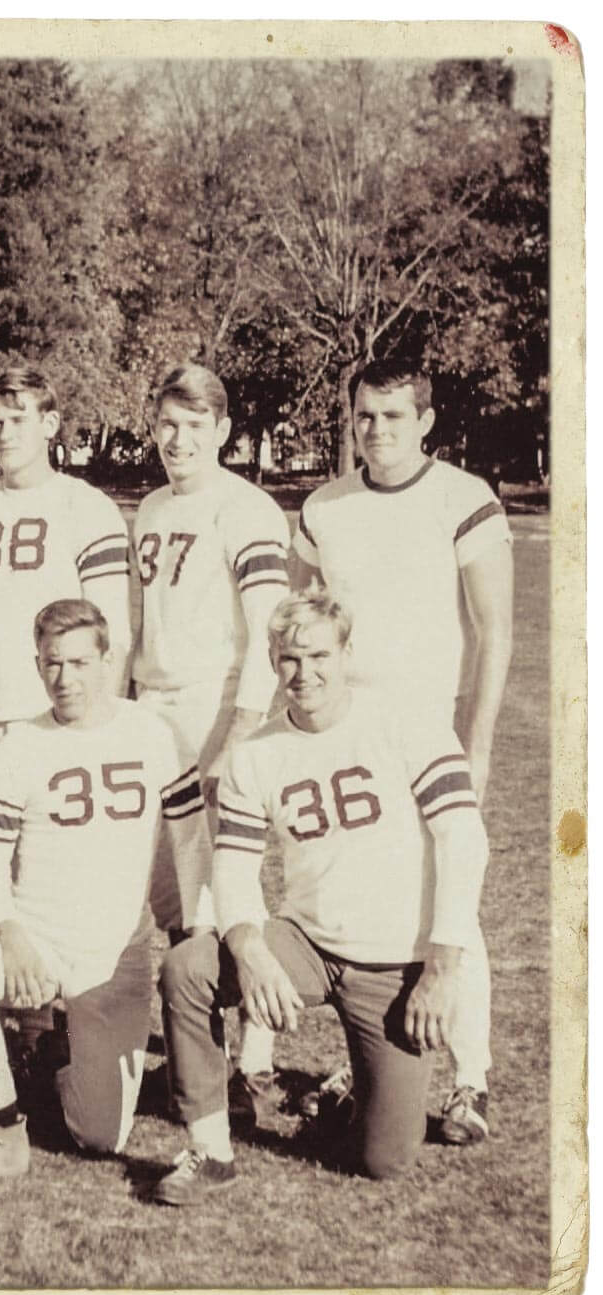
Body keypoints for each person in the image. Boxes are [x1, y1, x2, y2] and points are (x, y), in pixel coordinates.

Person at [153, 592, 489, 1203]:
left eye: (318, 655)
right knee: (188, 967)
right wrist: (249, 948)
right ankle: (211, 1150)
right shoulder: (255, 753)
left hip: (395, 960)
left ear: (347, 652)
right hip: (306, 941)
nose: (304, 672)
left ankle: (349, 1099)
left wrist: (441, 970)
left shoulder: (405, 721)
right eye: (288, 658)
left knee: (385, 1160)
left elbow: (464, 842)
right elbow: (233, 865)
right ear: (273, 662)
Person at [289, 358, 512, 1145]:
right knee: (363, 900)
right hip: (346, 730)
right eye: (363, 415)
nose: (375, 430)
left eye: (391, 415)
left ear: (424, 419)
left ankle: (469, 1078)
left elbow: (494, 631)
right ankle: (365, 1059)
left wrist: (476, 743)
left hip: (430, 726)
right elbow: (301, 623)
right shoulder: (323, 505)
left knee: (447, 898)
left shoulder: (465, 498)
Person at [0, 599, 208, 1187]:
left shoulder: (155, 733)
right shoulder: (19, 746)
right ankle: (3, 1136)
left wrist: (190, 929)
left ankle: (50, 1040)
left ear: (108, 660)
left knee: (97, 1138)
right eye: (53, 663)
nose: (66, 678)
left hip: (115, 956)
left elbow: (186, 847)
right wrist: (9, 934)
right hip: (37, 938)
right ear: (37, 665)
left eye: (81, 662)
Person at [130, 363, 292, 1119]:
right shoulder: (152, 506)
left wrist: (241, 730)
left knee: (229, 885)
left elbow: (267, 632)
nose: (177, 439)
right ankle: (204, 1049)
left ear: (222, 431)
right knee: (176, 894)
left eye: (194, 427)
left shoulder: (247, 508)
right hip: (156, 713)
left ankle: (253, 1061)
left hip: (217, 710)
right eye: (166, 423)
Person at [0, 367, 132, 731]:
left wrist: (101, 724)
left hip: (63, 718)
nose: (5, 434)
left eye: (18, 420)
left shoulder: (88, 508)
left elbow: (113, 633)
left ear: (50, 423)